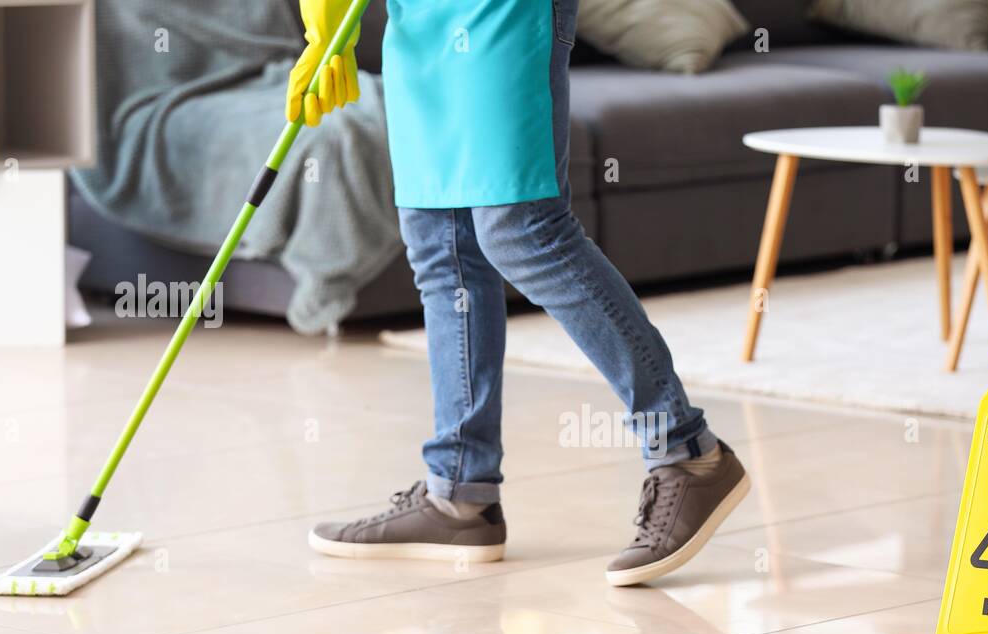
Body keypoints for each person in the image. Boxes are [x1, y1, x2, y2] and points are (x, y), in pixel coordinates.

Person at [288, 0, 748, 586]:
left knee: (522, 227)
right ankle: (459, 493)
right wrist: (325, 22)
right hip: (418, 19)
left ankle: (687, 451)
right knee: (439, 241)